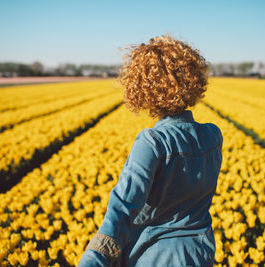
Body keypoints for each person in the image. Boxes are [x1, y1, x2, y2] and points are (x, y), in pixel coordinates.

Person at [78, 35, 223, 267]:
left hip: (155, 256)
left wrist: (94, 260)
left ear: (143, 89)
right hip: (200, 253)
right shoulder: (213, 136)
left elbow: (122, 208)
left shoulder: (152, 142)